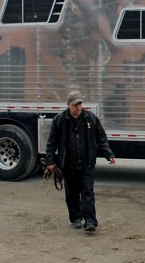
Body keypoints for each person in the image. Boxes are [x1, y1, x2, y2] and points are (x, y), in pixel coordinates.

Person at [45, 91, 116, 232]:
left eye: (80, 104)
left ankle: (90, 221)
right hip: (68, 164)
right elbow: (52, 143)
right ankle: (76, 218)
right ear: (68, 105)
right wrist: (50, 162)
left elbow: (101, 138)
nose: (78, 108)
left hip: (87, 163)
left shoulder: (91, 118)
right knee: (71, 193)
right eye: (75, 105)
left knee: (87, 192)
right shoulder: (59, 120)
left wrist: (109, 154)